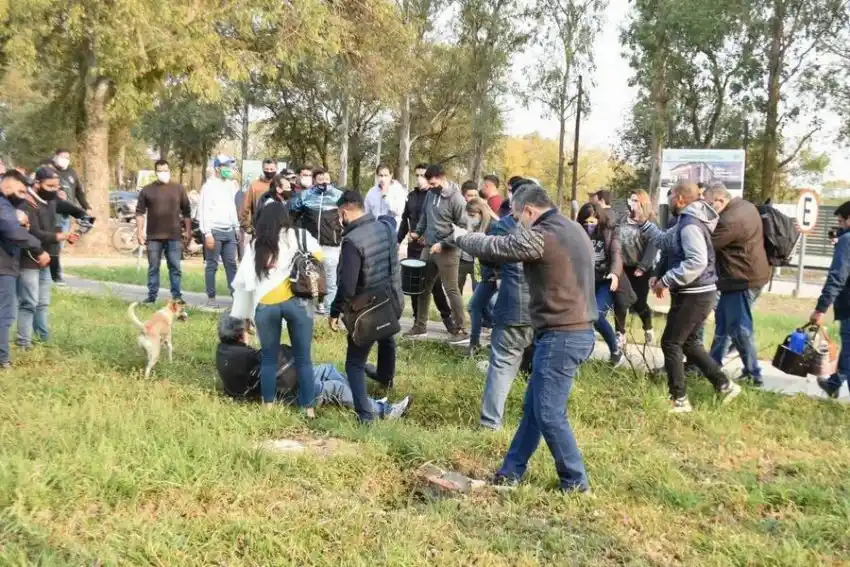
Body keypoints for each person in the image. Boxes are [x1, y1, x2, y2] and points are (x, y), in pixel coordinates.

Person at [453, 183, 597, 492]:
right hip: (575, 330)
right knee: (535, 408)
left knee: (548, 412)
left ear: (529, 211)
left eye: (518, 217)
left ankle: (575, 481)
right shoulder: (573, 228)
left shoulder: (542, 236)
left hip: (563, 334)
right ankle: (511, 471)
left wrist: (461, 237)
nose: (518, 223)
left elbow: (498, 248)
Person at [635, 181, 741, 413]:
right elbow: (665, 241)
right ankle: (724, 385)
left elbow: (697, 261)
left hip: (697, 294)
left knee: (671, 342)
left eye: (671, 194)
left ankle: (679, 399)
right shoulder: (685, 220)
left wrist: (667, 279)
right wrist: (643, 223)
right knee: (690, 343)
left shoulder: (690, 224)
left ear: (681, 198)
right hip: (695, 293)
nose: (669, 198)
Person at [215, 315, 411, 417]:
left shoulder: (224, 349)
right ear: (240, 333)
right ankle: (384, 412)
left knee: (328, 369)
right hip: (289, 394)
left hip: (286, 384)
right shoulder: (247, 356)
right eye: (247, 328)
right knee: (335, 387)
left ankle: (370, 401)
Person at [230, 202, 323, 416]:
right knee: (303, 358)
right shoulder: (300, 236)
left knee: (269, 358)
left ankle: (268, 406)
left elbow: (243, 283)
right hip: (298, 302)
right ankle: (308, 408)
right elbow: (319, 258)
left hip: (266, 304)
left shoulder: (256, 244)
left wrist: (243, 316)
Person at [329, 191, 405, 422]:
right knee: (387, 335)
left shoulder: (352, 241)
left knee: (354, 363)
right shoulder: (385, 228)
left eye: (339, 215)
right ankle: (386, 378)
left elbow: (348, 286)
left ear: (345, 212)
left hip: (367, 311)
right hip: (391, 299)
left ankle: (365, 415)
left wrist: (335, 311)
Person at [476, 191, 533, 430]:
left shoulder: (507, 229)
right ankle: (533, 418)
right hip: (545, 312)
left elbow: (488, 257)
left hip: (513, 307)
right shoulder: (556, 231)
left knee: (501, 366)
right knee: (540, 369)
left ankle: (490, 423)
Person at [704, 183, 770, 386]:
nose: (707, 210)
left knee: (740, 328)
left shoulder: (730, 220)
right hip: (745, 276)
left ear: (721, 201)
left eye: (708, 205)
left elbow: (708, 245)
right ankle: (711, 366)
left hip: (741, 279)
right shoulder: (745, 206)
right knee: (723, 323)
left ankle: (753, 373)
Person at [16, 167, 87, 349]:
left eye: (57, 186)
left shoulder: (52, 200)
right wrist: (61, 236)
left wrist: (82, 224)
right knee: (29, 303)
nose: (55, 190)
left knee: (42, 303)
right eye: (50, 186)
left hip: (47, 258)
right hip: (28, 258)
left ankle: (42, 339)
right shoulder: (27, 203)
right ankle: (24, 342)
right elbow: (33, 232)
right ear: (38, 184)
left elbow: (77, 211)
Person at [406, 164, 469, 342]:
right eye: (430, 184)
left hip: (447, 250)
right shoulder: (430, 195)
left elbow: (463, 229)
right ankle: (420, 326)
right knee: (422, 288)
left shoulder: (457, 199)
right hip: (429, 248)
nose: (431, 187)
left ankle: (460, 330)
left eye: (433, 184)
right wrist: (417, 232)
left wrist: (444, 243)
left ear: (443, 178)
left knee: (451, 289)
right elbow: (425, 217)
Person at [0, 170, 50, 369]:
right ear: (8, 186)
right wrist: (38, 249)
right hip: (3, 266)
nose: (23, 197)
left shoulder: (9, 205)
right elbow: (12, 231)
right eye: (21, 192)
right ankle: (2, 360)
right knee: (5, 313)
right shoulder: (3, 206)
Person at [397, 163, 453, 330]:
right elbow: (405, 219)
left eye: (424, 175)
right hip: (414, 246)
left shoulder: (435, 195)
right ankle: (417, 321)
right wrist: (397, 240)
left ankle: (447, 318)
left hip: (430, 245)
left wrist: (427, 236)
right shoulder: (411, 196)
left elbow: (437, 221)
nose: (421, 178)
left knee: (434, 286)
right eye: (418, 175)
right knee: (416, 284)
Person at [576, 202, 631, 366]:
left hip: (606, 282)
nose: (589, 226)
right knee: (583, 318)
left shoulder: (610, 231)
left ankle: (615, 349)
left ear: (599, 220)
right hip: (586, 281)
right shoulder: (578, 233)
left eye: (592, 222)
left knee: (597, 315)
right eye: (585, 222)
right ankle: (582, 354)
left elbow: (616, 253)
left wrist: (614, 273)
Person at [286, 167, 343, 315]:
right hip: (310, 246)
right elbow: (292, 216)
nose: (323, 182)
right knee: (310, 278)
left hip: (331, 244)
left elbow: (347, 217)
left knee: (331, 279)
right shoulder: (305, 196)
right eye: (320, 179)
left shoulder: (338, 196)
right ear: (314, 180)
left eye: (326, 179)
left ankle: (330, 312)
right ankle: (307, 311)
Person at [136, 159, 192, 305]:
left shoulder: (178, 189)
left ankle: (177, 297)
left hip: (173, 236)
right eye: (160, 171)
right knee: (153, 267)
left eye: (165, 170)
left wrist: (188, 231)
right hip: (154, 236)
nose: (163, 173)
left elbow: (187, 212)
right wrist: (139, 232)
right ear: (156, 172)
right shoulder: (147, 190)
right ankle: (152, 296)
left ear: (169, 170)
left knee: (175, 267)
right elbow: (139, 213)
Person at [810, 201, 850, 399]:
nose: (840, 226)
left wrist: (820, 309)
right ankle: (834, 384)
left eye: (842, 221)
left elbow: (837, 277)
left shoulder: (847, 240)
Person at [614, 190, 658, 345]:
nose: (632, 203)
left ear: (643, 203)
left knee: (638, 302)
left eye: (635, 200)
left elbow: (653, 246)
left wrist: (643, 267)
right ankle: (620, 333)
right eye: (630, 199)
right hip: (622, 267)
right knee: (620, 301)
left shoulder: (650, 222)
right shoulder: (622, 219)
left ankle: (648, 325)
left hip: (641, 269)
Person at [197, 155, 240, 308]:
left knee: (231, 264)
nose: (229, 169)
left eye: (230, 166)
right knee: (212, 265)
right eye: (226, 166)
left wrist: (236, 227)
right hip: (214, 231)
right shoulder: (208, 187)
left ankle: (236, 297)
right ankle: (211, 297)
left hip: (229, 231)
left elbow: (232, 208)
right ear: (217, 168)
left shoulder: (231, 185)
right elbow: (204, 211)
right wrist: (207, 233)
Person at [48, 148, 89, 285]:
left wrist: (85, 205)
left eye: (67, 157)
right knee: (53, 244)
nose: (65, 159)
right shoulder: (49, 170)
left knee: (59, 246)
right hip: (52, 213)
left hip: (66, 213)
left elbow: (78, 190)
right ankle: (55, 275)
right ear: (56, 156)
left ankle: (52, 271)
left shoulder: (71, 172)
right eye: (62, 156)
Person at [240, 158, 278, 236]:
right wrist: (246, 226)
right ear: (263, 169)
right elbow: (245, 206)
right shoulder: (255, 186)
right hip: (259, 228)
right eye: (267, 169)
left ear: (276, 169)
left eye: (271, 169)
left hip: (278, 229)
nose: (269, 171)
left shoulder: (281, 184)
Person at [364, 164, 406, 229]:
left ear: (391, 175)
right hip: (376, 230)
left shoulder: (398, 190)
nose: (383, 179)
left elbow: (399, 211)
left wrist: (385, 196)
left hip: (393, 230)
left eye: (386, 175)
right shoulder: (371, 192)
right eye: (381, 175)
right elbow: (366, 212)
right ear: (377, 176)